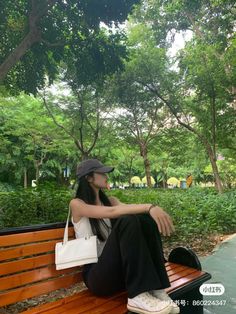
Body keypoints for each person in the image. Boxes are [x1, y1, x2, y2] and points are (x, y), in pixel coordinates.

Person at [69, 159, 180, 314]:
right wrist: (150, 207)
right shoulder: (77, 204)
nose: (106, 175)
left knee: (144, 219)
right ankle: (137, 295)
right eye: (101, 172)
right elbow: (112, 213)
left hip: (118, 272)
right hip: (97, 278)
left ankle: (157, 288)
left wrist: (149, 211)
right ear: (88, 178)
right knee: (128, 220)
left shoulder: (111, 201)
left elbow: (127, 208)